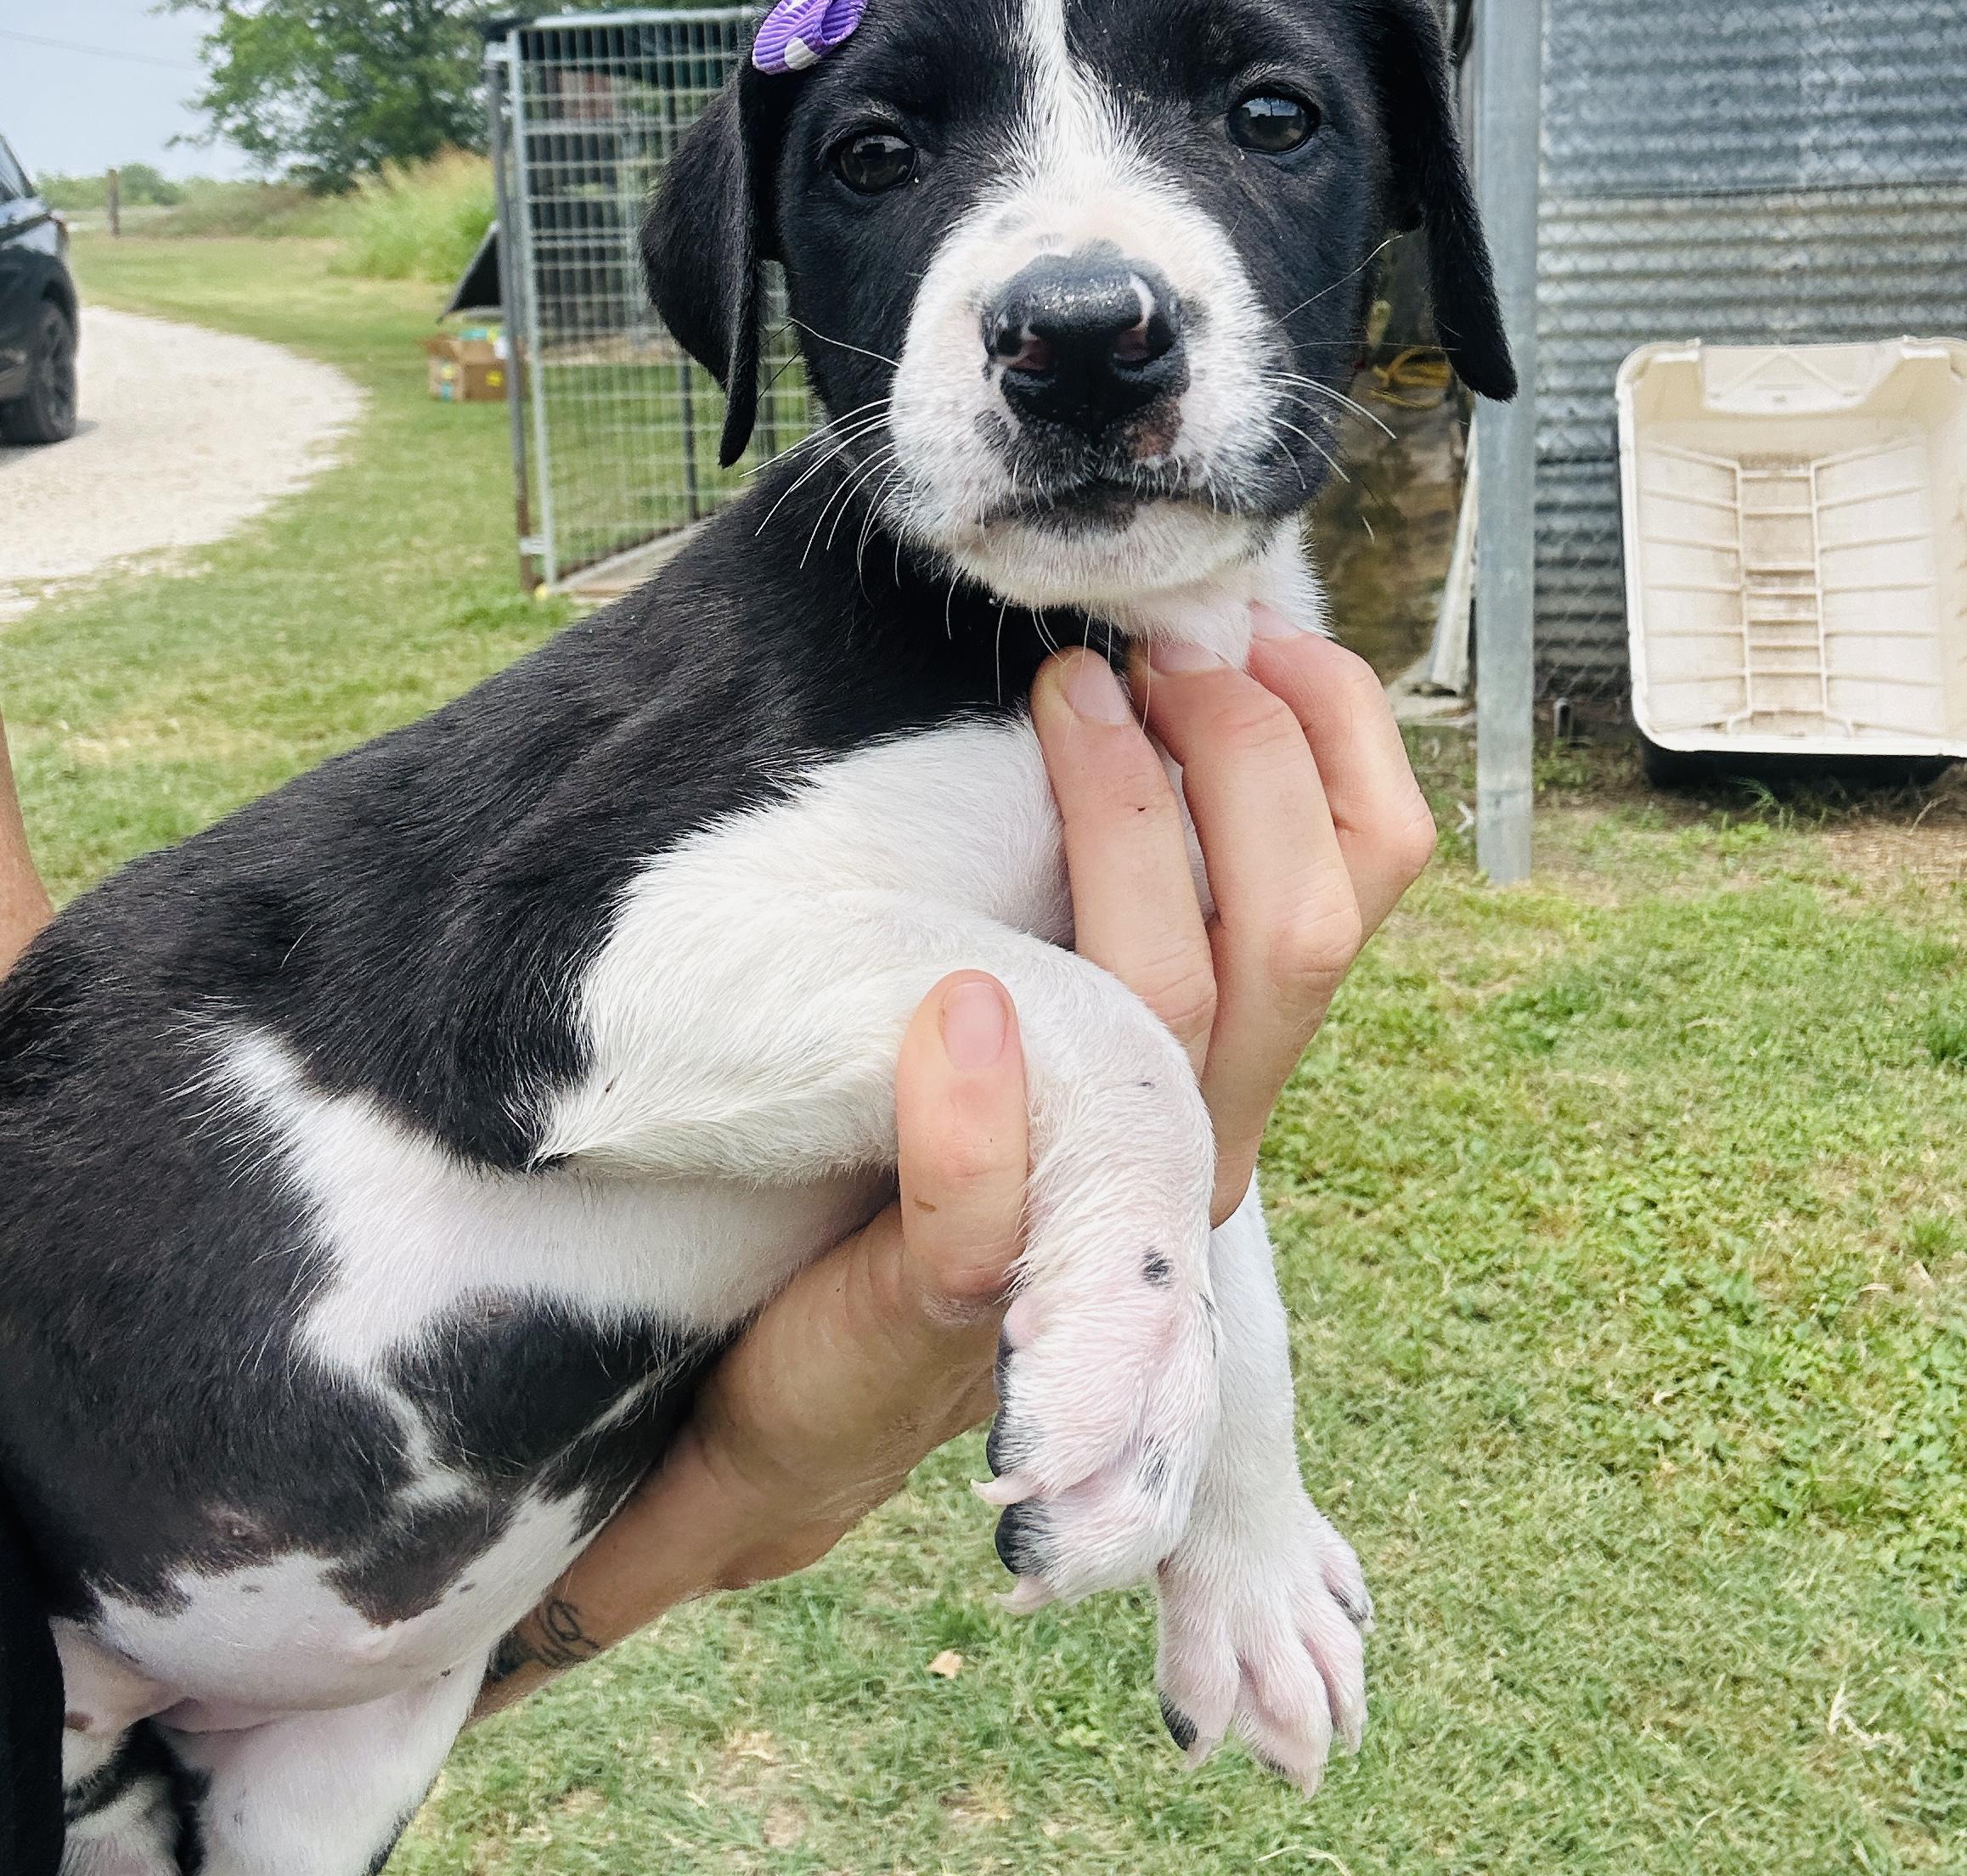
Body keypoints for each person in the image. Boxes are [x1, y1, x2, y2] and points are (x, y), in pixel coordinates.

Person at [0, 630, 1433, 1817]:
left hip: (283, 1676)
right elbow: (551, 1009)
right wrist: (1117, 1113)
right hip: (114, 1501)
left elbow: (1145, 1092)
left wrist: (1242, 1483)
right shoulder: (831, 656)